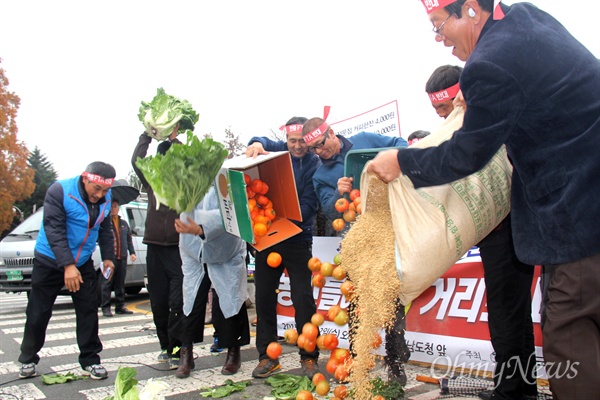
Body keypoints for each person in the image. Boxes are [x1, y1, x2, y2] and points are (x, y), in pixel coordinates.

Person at [367, 1, 600, 399]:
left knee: (571, 338)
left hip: (577, 215)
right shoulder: (528, 19)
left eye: (440, 26)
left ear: (471, 10)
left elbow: (466, 155)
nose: (441, 41)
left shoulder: (489, 63)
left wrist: (402, 161)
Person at [426, 64, 537, 400]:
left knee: (506, 312)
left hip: (508, 227)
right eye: (436, 111)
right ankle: (522, 388)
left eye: (444, 108)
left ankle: (510, 392)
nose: (442, 117)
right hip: (497, 229)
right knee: (513, 310)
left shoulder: (489, 117)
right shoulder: (469, 124)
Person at [301, 115, 411, 384]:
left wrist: (387, 162)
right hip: (355, 242)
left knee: (391, 300)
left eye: (321, 143)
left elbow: (401, 144)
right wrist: (339, 194)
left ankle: (396, 360)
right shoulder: (321, 175)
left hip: (387, 232)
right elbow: (328, 211)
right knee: (356, 303)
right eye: (314, 148)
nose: (320, 150)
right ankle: (356, 359)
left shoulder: (364, 141)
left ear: (331, 133)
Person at [18, 162, 116, 380]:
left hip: (82, 262)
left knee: (89, 310)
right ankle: (28, 359)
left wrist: (108, 257)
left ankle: (90, 360)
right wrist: (67, 266)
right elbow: (53, 228)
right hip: (50, 260)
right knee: (38, 311)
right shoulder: (60, 191)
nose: (99, 195)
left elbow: (105, 228)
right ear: (85, 179)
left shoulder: (106, 199)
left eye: (105, 191)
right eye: (96, 189)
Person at [245, 117, 322, 379]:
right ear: (286, 139)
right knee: (264, 297)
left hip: (298, 239)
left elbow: (311, 204)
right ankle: (267, 357)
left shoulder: (314, 163)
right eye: (292, 141)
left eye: (302, 141)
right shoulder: (278, 150)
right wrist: (255, 143)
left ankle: (309, 357)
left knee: (303, 298)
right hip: (268, 239)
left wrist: (287, 217)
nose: (298, 146)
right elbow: (263, 142)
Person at [173, 186, 250, 378]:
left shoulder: (225, 176)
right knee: (191, 300)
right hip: (193, 248)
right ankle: (186, 353)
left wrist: (201, 228)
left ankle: (233, 352)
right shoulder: (188, 178)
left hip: (225, 249)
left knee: (230, 300)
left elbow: (231, 212)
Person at [131, 126, 184, 369]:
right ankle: (165, 346)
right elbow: (137, 160)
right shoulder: (152, 181)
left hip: (178, 248)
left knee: (177, 302)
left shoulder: (186, 183)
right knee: (158, 302)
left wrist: (175, 140)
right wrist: (147, 136)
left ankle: (178, 347)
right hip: (154, 247)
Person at [101, 198, 136, 317]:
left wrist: (132, 252)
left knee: (120, 284)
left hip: (122, 257)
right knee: (107, 283)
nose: (113, 209)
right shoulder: (105, 222)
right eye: (111, 207)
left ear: (118, 208)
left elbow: (129, 240)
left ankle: (120, 306)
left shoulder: (124, 223)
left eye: (115, 206)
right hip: (110, 258)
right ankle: (105, 307)